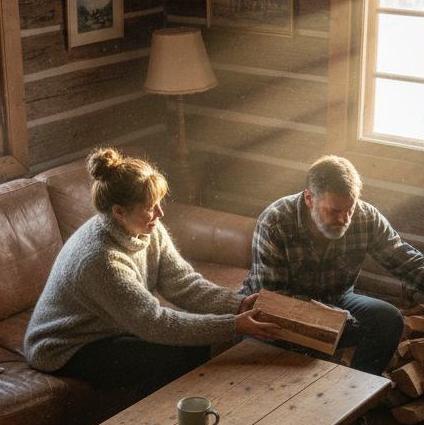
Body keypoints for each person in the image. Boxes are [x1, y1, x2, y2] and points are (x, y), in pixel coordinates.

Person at [243, 155, 424, 425]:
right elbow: (274, 297)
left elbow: (408, 261)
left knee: (387, 320)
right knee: (302, 355)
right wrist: (328, 321)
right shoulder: (276, 220)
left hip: (336, 301)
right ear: (309, 199)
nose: (343, 219)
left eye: (349, 209)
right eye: (334, 211)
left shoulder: (364, 218)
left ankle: (351, 413)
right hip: (273, 313)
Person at [25, 148, 277, 394]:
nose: (160, 213)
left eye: (158, 203)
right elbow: (155, 323)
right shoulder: (100, 261)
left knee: (191, 342)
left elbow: (183, 283)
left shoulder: (146, 229)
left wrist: (238, 304)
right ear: (119, 212)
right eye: (150, 206)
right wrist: (234, 325)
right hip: (68, 347)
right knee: (176, 354)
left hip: (111, 327)